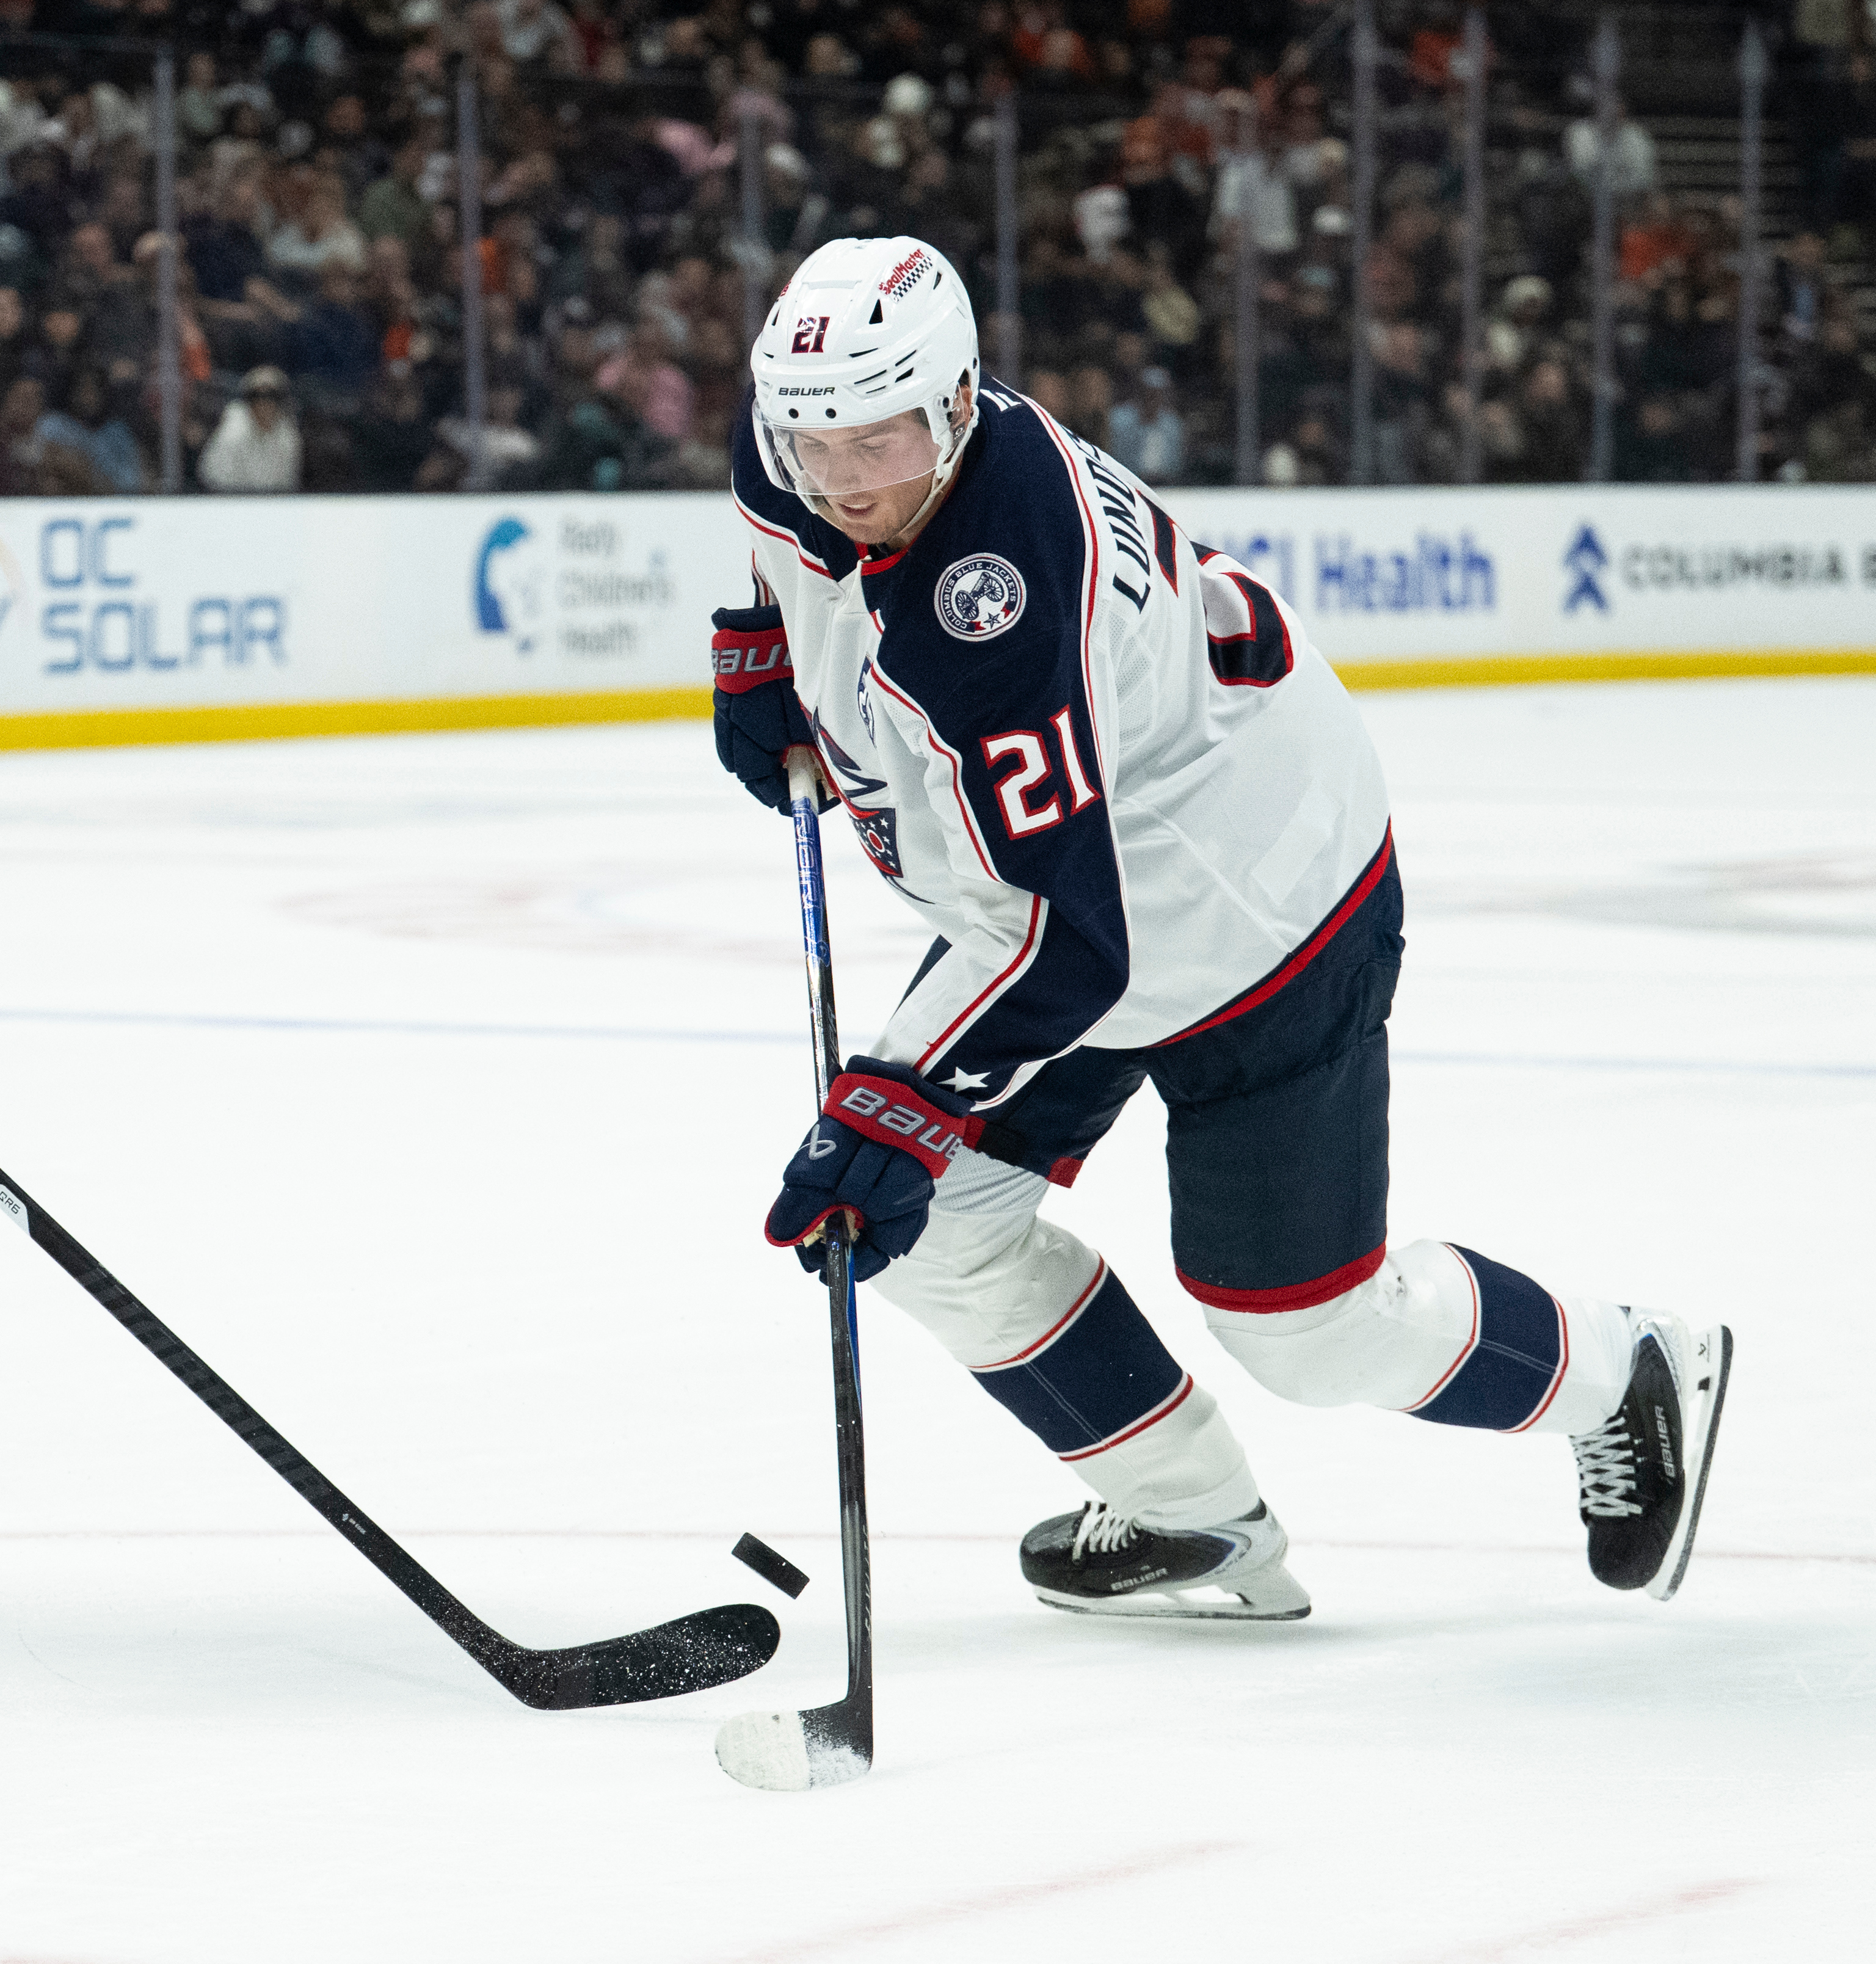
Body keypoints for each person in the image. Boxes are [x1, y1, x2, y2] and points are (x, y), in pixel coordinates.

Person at [708, 236, 1732, 1620]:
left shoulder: (996, 602)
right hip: (1071, 888)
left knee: (1305, 1332)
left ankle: (1625, 1371)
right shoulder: (806, 439)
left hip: (1256, 908)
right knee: (934, 1232)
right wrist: (766, 646)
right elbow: (787, 539)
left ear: (956, 402)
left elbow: (1067, 944)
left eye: (876, 443)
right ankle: (1191, 1516)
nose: (842, 481)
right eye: (814, 444)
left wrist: (894, 1107)